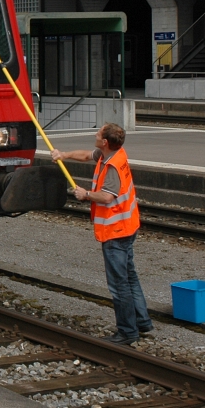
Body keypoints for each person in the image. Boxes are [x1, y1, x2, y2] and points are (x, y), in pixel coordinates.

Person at [51, 123, 153, 345]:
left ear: (105, 142)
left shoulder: (113, 167)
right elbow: (88, 155)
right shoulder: (113, 153)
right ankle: (142, 321)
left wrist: (86, 194)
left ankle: (127, 331)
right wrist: (63, 155)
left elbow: (107, 197)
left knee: (119, 284)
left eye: (98, 134)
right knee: (130, 276)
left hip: (115, 231)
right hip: (127, 226)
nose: (95, 136)